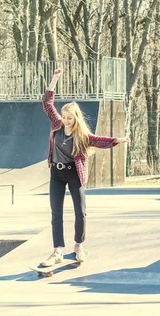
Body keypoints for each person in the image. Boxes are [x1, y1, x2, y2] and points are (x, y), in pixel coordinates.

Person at [41, 69, 130, 267]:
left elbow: (98, 140)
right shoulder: (56, 125)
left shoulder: (82, 135)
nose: (65, 120)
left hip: (75, 174)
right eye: (64, 117)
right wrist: (54, 79)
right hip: (56, 173)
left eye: (69, 118)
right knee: (56, 212)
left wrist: (118, 140)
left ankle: (79, 246)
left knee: (80, 212)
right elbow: (47, 104)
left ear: (76, 118)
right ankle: (57, 251)